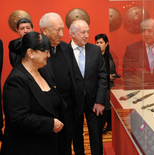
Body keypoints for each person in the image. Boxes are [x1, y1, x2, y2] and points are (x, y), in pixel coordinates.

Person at [1, 31, 66, 155]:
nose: (48, 55)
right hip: (27, 147)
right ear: (31, 53)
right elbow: (18, 118)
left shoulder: (42, 72)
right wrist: (50, 124)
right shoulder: (17, 80)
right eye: (45, 51)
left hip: (47, 144)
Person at [40, 12, 77, 155]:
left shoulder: (65, 47)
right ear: (44, 30)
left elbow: (72, 75)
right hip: (48, 113)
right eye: (57, 30)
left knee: (66, 145)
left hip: (67, 109)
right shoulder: (36, 50)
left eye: (63, 29)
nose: (61, 34)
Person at [69, 19, 107, 155]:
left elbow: (103, 77)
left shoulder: (95, 50)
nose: (86, 35)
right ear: (72, 34)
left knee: (96, 136)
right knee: (77, 136)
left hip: (94, 102)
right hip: (73, 103)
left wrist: (100, 100)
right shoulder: (64, 51)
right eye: (82, 32)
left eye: (88, 32)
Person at [123, 18, 154, 90]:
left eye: (149, 31)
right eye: (143, 31)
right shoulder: (132, 49)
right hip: (138, 91)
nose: (145, 34)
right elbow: (127, 75)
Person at [95, 34, 117, 133]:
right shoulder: (95, 56)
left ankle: (108, 126)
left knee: (108, 107)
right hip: (99, 86)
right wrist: (107, 77)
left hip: (109, 86)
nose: (99, 45)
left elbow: (113, 70)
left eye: (101, 42)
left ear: (106, 44)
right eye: (97, 42)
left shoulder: (109, 55)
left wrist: (113, 76)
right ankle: (104, 126)